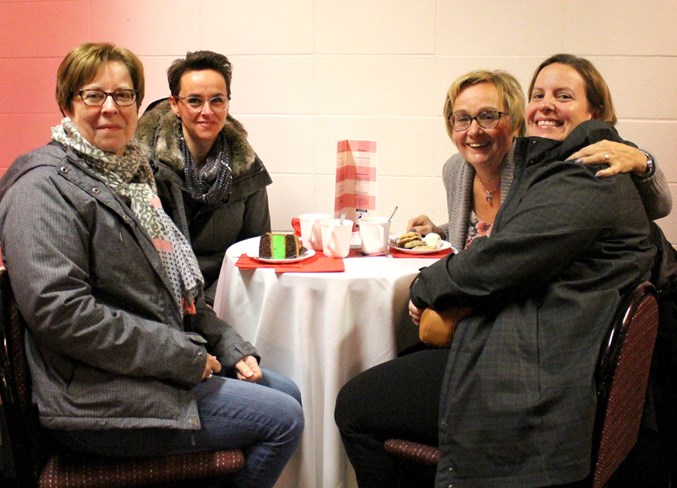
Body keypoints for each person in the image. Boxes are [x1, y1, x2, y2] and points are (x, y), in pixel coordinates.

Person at [335, 54, 658, 487]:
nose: (546, 104)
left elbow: (504, 256)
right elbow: (504, 244)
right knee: (403, 357)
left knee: (356, 404)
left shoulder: (584, 172)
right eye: (539, 94)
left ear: (594, 112)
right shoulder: (537, 168)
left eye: (564, 96)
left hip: (540, 365)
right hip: (543, 335)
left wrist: (425, 285)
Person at [0, 42, 302, 488]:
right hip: (95, 398)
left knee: (286, 390)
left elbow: (183, 296)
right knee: (283, 419)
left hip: (145, 373)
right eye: (93, 95)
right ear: (67, 104)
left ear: (139, 105)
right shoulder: (41, 188)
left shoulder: (135, 179)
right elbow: (61, 314)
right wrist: (183, 357)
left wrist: (230, 347)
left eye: (123, 95)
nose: (110, 108)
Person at [407, 70, 671, 250]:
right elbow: (479, 230)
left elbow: (659, 207)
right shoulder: (455, 170)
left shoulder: (538, 168)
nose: (474, 131)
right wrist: (439, 232)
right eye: (462, 118)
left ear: (515, 122)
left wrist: (643, 161)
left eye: (488, 116)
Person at [136, 51, 272, 305]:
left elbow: (255, 252)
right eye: (195, 101)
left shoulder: (247, 168)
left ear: (227, 103)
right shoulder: (144, 167)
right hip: (160, 299)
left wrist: (211, 301)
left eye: (217, 100)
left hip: (226, 298)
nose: (207, 111)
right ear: (175, 105)